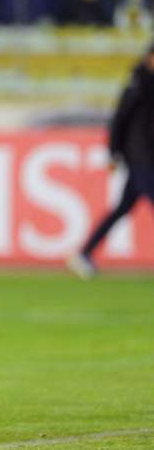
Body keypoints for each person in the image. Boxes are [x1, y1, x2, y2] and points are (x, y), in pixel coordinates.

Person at [68, 47, 154, 279]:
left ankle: (84, 253)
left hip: (145, 157)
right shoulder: (137, 86)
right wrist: (113, 152)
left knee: (121, 209)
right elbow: (119, 121)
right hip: (141, 157)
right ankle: (83, 254)